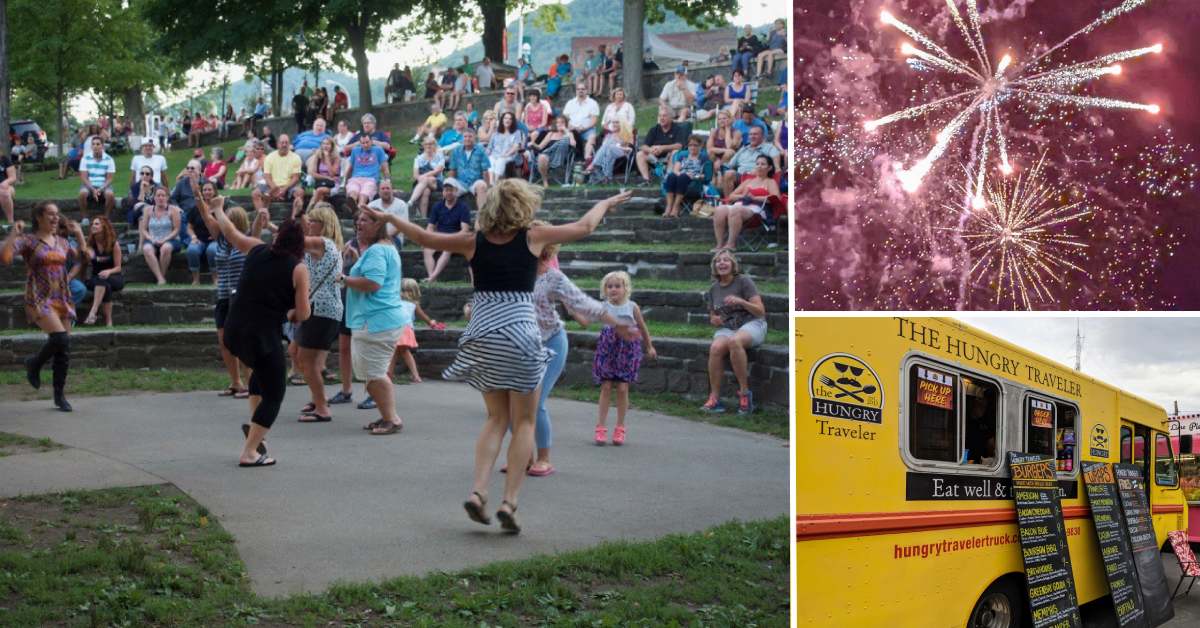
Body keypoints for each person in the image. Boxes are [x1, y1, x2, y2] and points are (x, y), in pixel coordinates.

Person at [366, 179, 634, 534]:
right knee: (523, 422)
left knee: (495, 418)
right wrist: (606, 203)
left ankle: (478, 493)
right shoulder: (532, 237)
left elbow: (424, 238)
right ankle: (509, 502)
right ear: (524, 205)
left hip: (483, 333)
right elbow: (585, 226)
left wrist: (390, 218)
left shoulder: (471, 241)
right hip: (523, 336)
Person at [212, 202, 311, 467]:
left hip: (234, 332)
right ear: (301, 244)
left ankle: (256, 430)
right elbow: (303, 314)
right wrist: (288, 311)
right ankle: (250, 451)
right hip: (262, 337)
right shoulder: (298, 268)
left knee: (259, 373)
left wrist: (218, 209)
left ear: (277, 238)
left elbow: (231, 232)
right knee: (276, 393)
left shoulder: (256, 249)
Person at [525, 227, 630, 475]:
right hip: (524, 345)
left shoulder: (553, 277)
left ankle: (544, 458)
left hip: (552, 341)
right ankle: (523, 455)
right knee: (512, 404)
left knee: (535, 402)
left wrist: (615, 322)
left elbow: (582, 302)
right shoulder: (514, 273)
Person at [2, 204, 81, 411]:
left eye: (57, 214)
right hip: (39, 297)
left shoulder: (63, 242)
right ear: (39, 217)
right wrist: (13, 234)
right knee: (60, 338)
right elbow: (5, 257)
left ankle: (59, 396)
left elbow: (83, 258)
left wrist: (80, 235)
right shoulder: (29, 240)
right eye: (50, 214)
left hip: (62, 296)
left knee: (64, 350)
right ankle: (34, 363)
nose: (55, 218)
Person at [343, 209, 406, 435]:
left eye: (365, 220)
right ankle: (386, 416)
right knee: (372, 375)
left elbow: (373, 282)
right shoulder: (383, 248)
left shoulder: (378, 250)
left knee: (375, 375)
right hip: (378, 319)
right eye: (357, 219)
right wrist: (358, 260)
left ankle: (392, 419)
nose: (359, 223)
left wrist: (343, 278)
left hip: (376, 320)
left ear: (378, 225)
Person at [197, 195, 256, 399]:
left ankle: (252, 384)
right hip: (223, 296)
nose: (222, 222)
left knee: (243, 340)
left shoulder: (246, 240)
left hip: (242, 298)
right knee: (225, 341)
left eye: (227, 219)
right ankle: (236, 382)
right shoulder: (221, 240)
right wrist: (197, 194)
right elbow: (205, 216)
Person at [592, 271, 655, 445]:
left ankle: (620, 427)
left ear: (625, 288)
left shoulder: (632, 306)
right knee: (605, 386)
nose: (613, 289)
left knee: (622, 388)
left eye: (617, 286)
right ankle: (601, 427)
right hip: (608, 349)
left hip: (627, 350)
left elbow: (642, 327)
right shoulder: (603, 306)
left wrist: (649, 346)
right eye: (609, 286)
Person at [295, 204, 345, 424]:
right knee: (310, 361)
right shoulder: (328, 246)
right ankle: (319, 399)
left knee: (305, 360)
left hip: (321, 309)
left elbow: (291, 241)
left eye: (312, 221)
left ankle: (322, 408)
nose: (308, 224)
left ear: (323, 225)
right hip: (325, 309)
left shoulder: (322, 243)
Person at [700, 250, 766, 415]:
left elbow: (760, 311)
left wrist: (741, 301)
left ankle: (745, 395)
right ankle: (715, 398)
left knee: (734, 342)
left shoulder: (744, 282)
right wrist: (714, 320)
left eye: (726, 260)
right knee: (715, 348)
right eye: (718, 261)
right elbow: (713, 315)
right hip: (728, 328)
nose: (722, 263)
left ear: (733, 265)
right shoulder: (713, 289)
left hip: (753, 324)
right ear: (715, 266)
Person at [713, 155, 781, 250]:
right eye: (757, 164)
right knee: (719, 210)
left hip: (757, 209)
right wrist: (744, 196)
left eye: (763, 164)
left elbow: (775, 197)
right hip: (740, 205)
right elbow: (732, 196)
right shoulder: (748, 181)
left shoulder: (770, 182)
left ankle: (731, 244)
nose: (759, 166)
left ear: (769, 168)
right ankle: (719, 244)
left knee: (735, 210)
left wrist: (755, 197)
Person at [387, 278, 440, 383]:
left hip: (396, 328)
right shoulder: (414, 304)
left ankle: (393, 374)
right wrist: (431, 323)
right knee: (400, 352)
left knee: (398, 352)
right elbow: (423, 316)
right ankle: (394, 374)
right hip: (406, 329)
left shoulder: (395, 301)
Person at [423, 180, 471, 283]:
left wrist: (452, 238)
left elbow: (465, 230)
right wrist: (429, 237)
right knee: (427, 249)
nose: (448, 192)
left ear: (456, 191)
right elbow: (430, 227)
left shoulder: (463, 207)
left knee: (448, 248)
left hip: (457, 239)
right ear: (443, 192)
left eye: (451, 190)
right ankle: (431, 277)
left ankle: (432, 278)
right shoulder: (437, 206)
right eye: (446, 190)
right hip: (440, 238)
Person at [79, 217, 122, 328]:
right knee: (103, 284)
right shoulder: (90, 246)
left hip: (114, 277)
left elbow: (118, 267)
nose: (93, 225)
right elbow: (83, 265)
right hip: (96, 277)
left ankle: (93, 311)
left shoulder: (114, 244)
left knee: (104, 281)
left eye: (97, 224)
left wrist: (108, 271)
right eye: (92, 224)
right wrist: (82, 279)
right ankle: (108, 321)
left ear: (104, 227)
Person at [254, 134, 305, 218]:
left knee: (300, 192)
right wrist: (275, 188)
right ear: (277, 144)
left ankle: (293, 218)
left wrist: (284, 189)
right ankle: (262, 218)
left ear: (289, 144)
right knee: (255, 193)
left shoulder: (296, 157)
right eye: (282, 143)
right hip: (272, 186)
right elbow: (267, 176)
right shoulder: (270, 157)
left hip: (289, 186)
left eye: (286, 143)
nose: (284, 145)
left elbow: (296, 177)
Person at [663, 135, 713, 218]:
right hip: (680, 177)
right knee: (672, 176)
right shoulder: (682, 155)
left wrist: (694, 176)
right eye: (690, 145)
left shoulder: (704, 157)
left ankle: (676, 206)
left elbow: (707, 176)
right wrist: (681, 174)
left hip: (694, 182)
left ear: (700, 146)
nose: (692, 147)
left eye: (695, 145)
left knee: (683, 177)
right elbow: (676, 170)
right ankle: (669, 207)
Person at [139, 188, 182, 285]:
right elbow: (144, 229)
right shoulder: (147, 210)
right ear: (154, 197)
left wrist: (165, 239)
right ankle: (160, 277)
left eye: (163, 195)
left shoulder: (174, 210)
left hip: (171, 239)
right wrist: (151, 239)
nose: (160, 198)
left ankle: (162, 276)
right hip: (153, 238)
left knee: (165, 248)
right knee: (146, 249)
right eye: (158, 195)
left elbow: (176, 229)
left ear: (167, 197)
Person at [722, 125, 780, 196]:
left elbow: (776, 166)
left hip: (758, 176)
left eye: (755, 134)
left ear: (762, 136)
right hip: (740, 175)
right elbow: (730, 165)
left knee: (729, 174)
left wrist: (760, 170)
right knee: (728, 173)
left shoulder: (769, 148)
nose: (752, 136)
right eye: (750, 134)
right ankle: (728, 201)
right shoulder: (744, 149)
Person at [634, 108, 687, 184]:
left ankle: (668, 178)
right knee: (640, 154)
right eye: (660, 116)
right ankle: (646, 180)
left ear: (671, 117)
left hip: (669, 157)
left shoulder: (678, 129)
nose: (661, 118)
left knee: (675, 152)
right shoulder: (654, 129)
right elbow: (644, 146)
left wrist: (663, 148)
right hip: (655, 158)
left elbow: (679, 145)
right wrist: (650, 150)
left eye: (664, 116)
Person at [185, 178, 221, 285]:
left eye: (209, 190)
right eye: (204, 190)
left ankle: (215, 278)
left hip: (216, 239)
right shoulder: (196, 208)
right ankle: (196, 279)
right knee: (192, 250)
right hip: (199, 239)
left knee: (212, 250)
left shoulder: (220, 206)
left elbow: (226, 225)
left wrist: (218, 236)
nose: (207, 192)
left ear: (214, 191)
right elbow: (189, 227)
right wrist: (193, 237)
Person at [344, 133, 390, 211]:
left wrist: (388, 181)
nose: (365, 145)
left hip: (371, 179)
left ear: (371, 141)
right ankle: (354, 207)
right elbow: (350, 168)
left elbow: (385, 168)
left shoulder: (378, 150)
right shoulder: (355, 150)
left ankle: (358, 209)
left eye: (367, 142)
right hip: (356, 178)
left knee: (363, 195)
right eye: (363, 143)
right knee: (353, 193)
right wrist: (345, 182)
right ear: (360, 143)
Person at [447, 128, 491, 206]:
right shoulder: (456, 151)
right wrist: (451, 183)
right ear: (462, 138)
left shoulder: (481, 150)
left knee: (482, 185)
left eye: (470, 136)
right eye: (465, 136)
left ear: (474, 138)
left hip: (476, 182)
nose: (467, 139)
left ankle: (482, 214)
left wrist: (487, 186)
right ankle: (449, 214)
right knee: (448, 183)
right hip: (461, 183)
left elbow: (485, 171)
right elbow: (452, 170)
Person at [77, 137, 116, 219]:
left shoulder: (109, 159)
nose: (95, 146)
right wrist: (93, 189)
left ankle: (106, 217)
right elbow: (84, 177)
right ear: (91, 147)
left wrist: (100, 189)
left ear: (102, 146)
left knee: (110, 194)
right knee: (82, 193)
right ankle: (85, 217)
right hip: (89, 184)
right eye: (93, 144)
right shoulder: (85, 159)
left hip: (104, 184)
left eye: (98, 144)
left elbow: (109, 179)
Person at [531, 115, 575, 184]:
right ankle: (545, 181)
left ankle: (556, 145)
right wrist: (533, 142)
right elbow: (540, 147)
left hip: (560, 158)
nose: (559, 124)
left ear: (566, 124)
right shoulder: (551, 134)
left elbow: (573, 145)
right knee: (542, 157)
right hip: (548, 156)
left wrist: (566, 131)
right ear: (555, 124)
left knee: (564, 140)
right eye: (558, 122)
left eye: (562, 122)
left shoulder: (569, 134)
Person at [585, 119, 633, 184]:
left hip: (623, 152)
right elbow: (603, 149)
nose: (614, 124)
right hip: (610, 152)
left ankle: (594, 165)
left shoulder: (627, 133)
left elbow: (630, 147)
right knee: (608, 149)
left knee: (608, 146)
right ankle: (607, 177)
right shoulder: (609, 135)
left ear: (622, 124)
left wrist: (618, 144)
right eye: (613, 122)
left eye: (617, 122)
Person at [409, 137, 446, 218]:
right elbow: (415, 175)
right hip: (421, 183)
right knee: (426, 191)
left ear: (435, 146)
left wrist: (423, 177)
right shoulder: (418, 158)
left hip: (437, 182)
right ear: (423, 146)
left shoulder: (440, 156)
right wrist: (421, 179)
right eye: (426, 144)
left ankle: (411, 201)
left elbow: (437, 171)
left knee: (431, 178)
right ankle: (423, 218)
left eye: (431, 144)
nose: (429, 146)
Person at [367, 179, 409, 247]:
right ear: (378, 192)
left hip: (394, 238)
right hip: (374, 237)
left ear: (392, 190)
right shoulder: (371, 205)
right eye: (383, 189)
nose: (385, 191)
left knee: (382, 247)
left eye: (388, 188)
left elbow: (401, 226)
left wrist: (383, 238)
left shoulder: (401, 204)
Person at [563, 82, 599, 160]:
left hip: (587, 130)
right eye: (578, 89)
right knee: (563, 138)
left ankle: (586, 159)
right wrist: (571, 126)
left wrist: (584, 128)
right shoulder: (570, 103)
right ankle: (567, 161)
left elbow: (594, 120)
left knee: (592, 137)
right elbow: (566, 118)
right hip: (572, 130)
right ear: (576, 91)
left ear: (586, 90)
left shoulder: (592, 103)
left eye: (583, 89)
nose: (580, 91)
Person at [487, 112, 525, 180]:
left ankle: (495, 183)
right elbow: (489, 147)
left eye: (510, 119)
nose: (507, 120)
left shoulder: (516, 133)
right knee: (491, 160)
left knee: (501, 161)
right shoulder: (496, 133)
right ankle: (491, 184)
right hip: (494, 155)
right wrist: (485, 155)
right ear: (502, 120)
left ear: (512, 121)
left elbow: (516, 146)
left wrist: (506, 154)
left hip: (508, 156)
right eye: (506, 118)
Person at [306, 137, 342, 209]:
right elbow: (313, 173)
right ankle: (315, 213)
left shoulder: (336, 158)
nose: (325, 146)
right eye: (323, 144)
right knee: (320, 196)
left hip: (333, 184)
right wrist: (326, 177)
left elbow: (332, 174)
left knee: (319, 191)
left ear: (332, 146)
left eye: (328, 144)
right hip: (320, 182)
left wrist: (327, 158)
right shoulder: (318, 156)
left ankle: (309, 211)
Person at [707, 110, 742, 174]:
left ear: (730, 119)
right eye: (719, 119)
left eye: (724, 118)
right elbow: (709, 148)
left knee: (730, 152)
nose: (722, 121)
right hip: (716, 157)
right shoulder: (714, 131)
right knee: (710, 152)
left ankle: (720, 170)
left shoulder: (736, 132)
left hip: (730, 158)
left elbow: (729, 147)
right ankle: (716, 171)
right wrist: (718, 159)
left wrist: (728, 129)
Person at [0, 151, 16, 223]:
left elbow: (13, 177)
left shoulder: (4, 159)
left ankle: (10, 221)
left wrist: (6, 182)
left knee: (4, 192)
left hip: (6, 187)